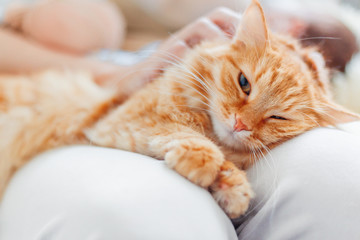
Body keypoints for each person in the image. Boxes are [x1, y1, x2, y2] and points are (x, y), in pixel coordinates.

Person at [1, 1, 360, 240]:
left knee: (344, 180)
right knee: (143, 213)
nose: (241, 121)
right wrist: (122, 72)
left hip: (214, 120)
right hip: (98, 97)